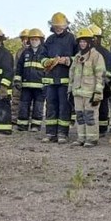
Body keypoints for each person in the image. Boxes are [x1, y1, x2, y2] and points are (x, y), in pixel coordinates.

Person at [40, 12, 77, 143]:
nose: (58, 28)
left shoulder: (72, 39)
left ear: (66, 25)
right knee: (50, 106)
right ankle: (50, 133)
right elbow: (42, 57)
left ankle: (62, 133)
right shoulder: (50, 40)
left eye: (61, 26)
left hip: (65, 81)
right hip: (51, 80)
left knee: (64, 107)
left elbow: (78, 57)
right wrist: (48, 62)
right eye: (56, 26)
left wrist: (67, 60)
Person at [69, 27, 106, 147]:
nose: (82, 44)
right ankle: (81, 138)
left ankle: (92, 139)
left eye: (84, 41)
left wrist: (98, 94)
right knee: (80, 116)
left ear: (90, 42)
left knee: (90, 116)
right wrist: (70, 91)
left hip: (90, 93)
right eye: (80, 42)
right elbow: (72, 75)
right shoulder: (77, 57)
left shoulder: (96, 56)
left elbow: (100, 76)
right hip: (78, 93)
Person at [15, 28, 46, 132]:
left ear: (40, 40)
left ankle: (35, 125)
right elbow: (19, 67)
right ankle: (22, 125)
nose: (34, 41)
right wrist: (17, 80)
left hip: (40, 85)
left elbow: (48, 69)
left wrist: (46, 82)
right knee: (24, 105)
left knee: (38, 106)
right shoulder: (25, 52)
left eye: (36, 39)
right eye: (32, 39)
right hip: (26, 85)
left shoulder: (45, 52)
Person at [89, 24, 111, 137]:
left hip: (98, 84)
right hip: (101, 84)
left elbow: (108, 71)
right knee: (99, 106)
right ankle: (101, 128)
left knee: (100, 106)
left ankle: (101, 128)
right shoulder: (104, 52)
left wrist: (102, 83)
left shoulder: (103, 52)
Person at [10, 28, 29, 122]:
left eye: (27, 39)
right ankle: (14, 117)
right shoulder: (19, 52)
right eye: (23, 39)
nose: (25, 41)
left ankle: (27, 118)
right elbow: (15, 66)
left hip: (30, 80)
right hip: (19, 79)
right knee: (16, 98)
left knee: (28, 100)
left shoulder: (36, 51)